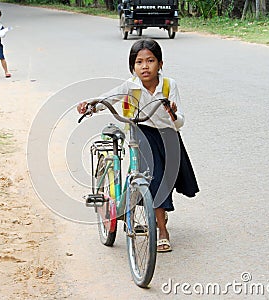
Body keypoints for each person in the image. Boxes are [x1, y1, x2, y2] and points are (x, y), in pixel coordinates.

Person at [77, 38, 199, 252]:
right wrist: (90, 105)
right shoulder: (130, 86)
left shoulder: (169, 86)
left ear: (160, 64)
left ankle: (157, 218)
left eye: (150, 61)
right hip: (141, 133)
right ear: (133, 67)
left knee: (166, 182)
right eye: (139, 62)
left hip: (168, 136)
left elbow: (179, 122)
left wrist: (172, 113)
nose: (145, 66)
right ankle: (162, 230)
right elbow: (108, 98)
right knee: (155, 180)